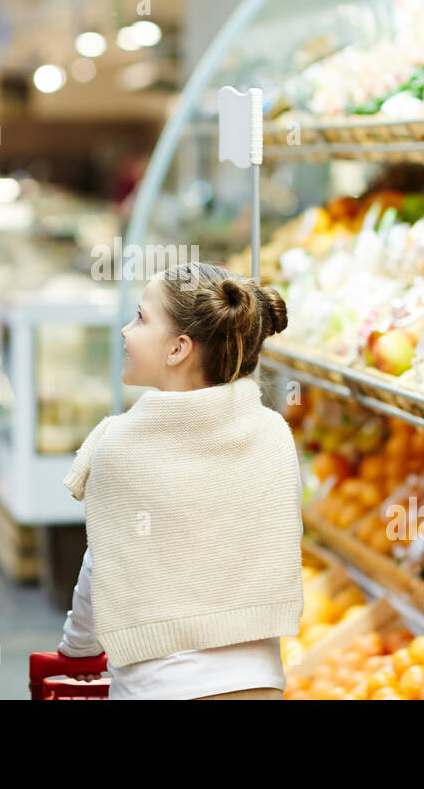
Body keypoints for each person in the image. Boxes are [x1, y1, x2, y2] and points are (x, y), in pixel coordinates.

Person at [56, 261, 303, 699]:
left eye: (140, 318)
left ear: (178, 349)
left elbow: (105, 566)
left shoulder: (122, 445)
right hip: (259, 685)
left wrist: (76, 649)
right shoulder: (273, 435)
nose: (125, 331)